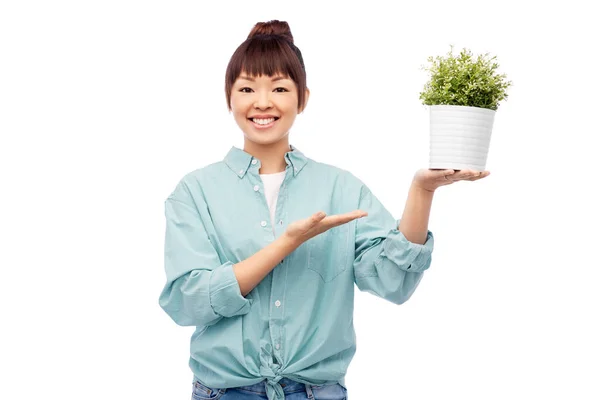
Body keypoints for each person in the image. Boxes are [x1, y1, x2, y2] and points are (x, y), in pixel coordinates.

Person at [158, 20, 490, 400]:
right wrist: (287, 243)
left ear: (303, 98)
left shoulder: (340, 188)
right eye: (247, 88)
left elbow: (392, 281)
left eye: (279, 88)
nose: (262, 102)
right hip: (226, 392)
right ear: (228, 98)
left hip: (317, 393)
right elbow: (189, 300)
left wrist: (422, 190)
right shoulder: (195, 192)